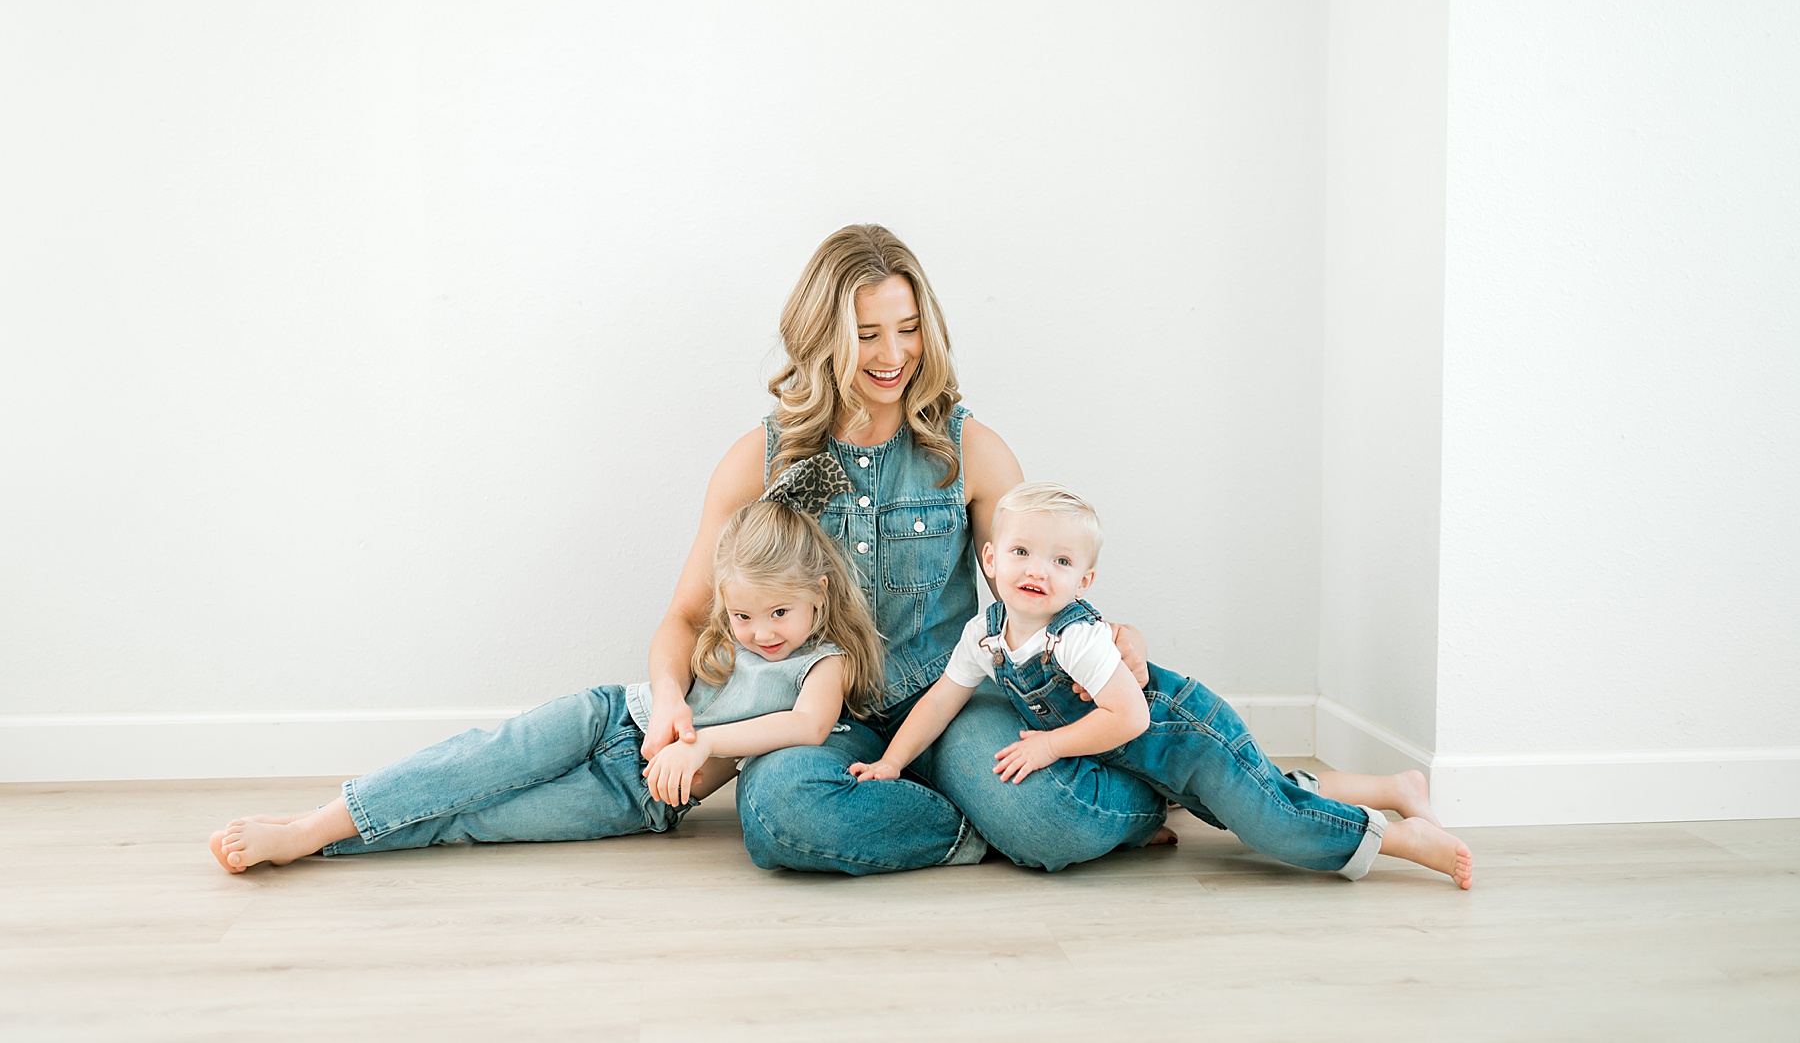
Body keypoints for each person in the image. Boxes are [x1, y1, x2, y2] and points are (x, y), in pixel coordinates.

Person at [642, 224, 1173, 874]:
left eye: (908, 327)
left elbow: (1034, 594)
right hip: (824, 720)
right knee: (784, 814)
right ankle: (973, 829)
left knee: (1048, 818)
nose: (893, 353)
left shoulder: (971, 449)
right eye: (867, 335)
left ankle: (1128, 805)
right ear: (823, 336)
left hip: (953, 704)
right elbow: (688, 617)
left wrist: (1117, 637)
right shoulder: (765, 460)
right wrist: (670, 696)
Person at [207, 476, 883, 873]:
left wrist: (704, 743)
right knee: (472, 762)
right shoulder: (728, 622)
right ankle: (312, 822)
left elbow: (808, 724)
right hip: (611, 714)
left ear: (820, 592)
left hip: (639, 793)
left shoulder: (825, 661)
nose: (761, 631)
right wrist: (674, 699)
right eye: (741, 614)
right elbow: (673, 645)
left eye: (780, 612)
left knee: (483, 819)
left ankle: (325, 841)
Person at [850, 481, 1475, 888]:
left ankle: (1402, 839)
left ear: (1085, 582)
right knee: (1266, 788)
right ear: (990, 559)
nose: (1038, 570)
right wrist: (892, 761)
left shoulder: (1077, 639)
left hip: (1185, 737)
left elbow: (1131, 719)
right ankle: (1397, 785)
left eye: (1061, 562)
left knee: (1269, 821)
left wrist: (1049, 746)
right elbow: (941, 698)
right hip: (1138, 761)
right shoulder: (985, 636)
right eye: (1022, 553)